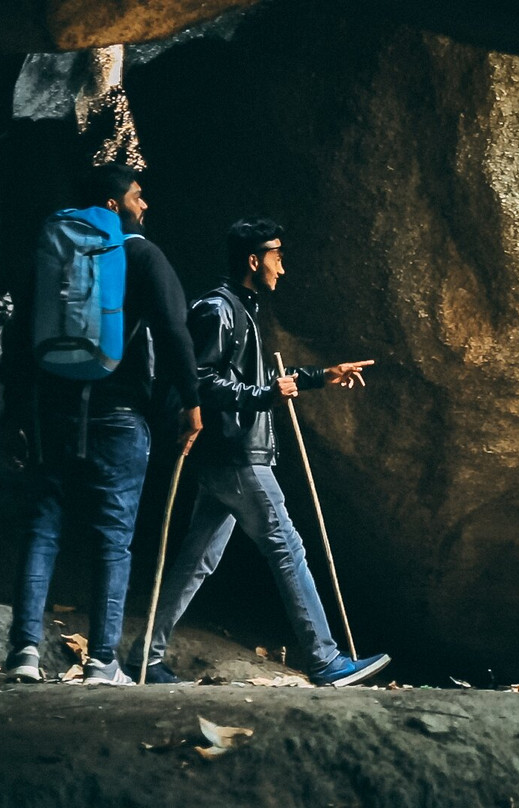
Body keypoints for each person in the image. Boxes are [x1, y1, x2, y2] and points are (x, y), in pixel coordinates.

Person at [128, 216, 389, 687]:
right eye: (277, 256)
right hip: (236, 455)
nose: (282, 268)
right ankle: (325, 660)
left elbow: (255, 380)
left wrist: (320, 376)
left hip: (227, 455)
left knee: (197, 560)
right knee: (287, 547)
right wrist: (263, 396)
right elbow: (200, 380)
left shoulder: (239, 309)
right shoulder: (218, 309)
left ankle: (145, 654)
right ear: (254, 259)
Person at [2, 163, 202, 685]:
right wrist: (191, 401)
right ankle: (102, 662)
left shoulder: (52, 254)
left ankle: (23, 652)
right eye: (138, 196)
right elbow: (174, 331)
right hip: (118, 415)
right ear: (113, 204)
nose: (144, 205)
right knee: (112, 537)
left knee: (42, 526)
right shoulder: (141, 254)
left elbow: (19, 336)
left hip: (51, 412)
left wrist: (15, 413)